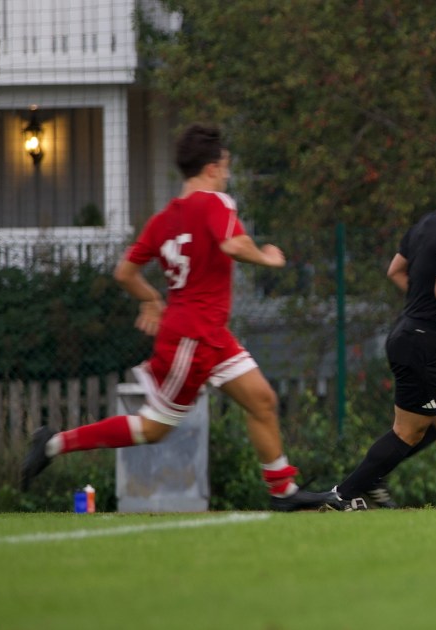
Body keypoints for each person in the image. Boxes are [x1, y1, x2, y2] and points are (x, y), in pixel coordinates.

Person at [21, 123, 327, 511]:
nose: (227, 176)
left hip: (208, 333)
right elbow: (233, 244)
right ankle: (53, 443)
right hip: (191, 338)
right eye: (226, 167)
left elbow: (124, 272)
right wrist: (267, 258)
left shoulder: (163, 219)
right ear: (212, 168)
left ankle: (283, 492)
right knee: (154, 428)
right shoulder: (215, 202)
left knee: (262, 400)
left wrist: (150, 299)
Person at [324, 158, 436, 511]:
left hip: (417, 335)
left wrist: (423, 299)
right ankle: (344, 494)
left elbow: (395, 270)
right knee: (407, 432)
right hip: (422, 342)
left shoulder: (426, 224)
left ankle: (372, 476)